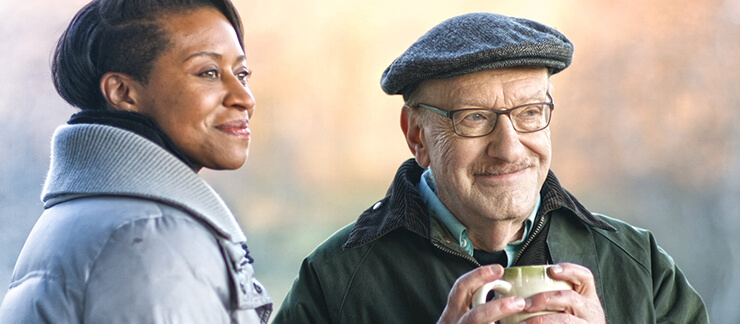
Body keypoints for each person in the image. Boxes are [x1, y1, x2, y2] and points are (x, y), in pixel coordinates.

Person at [272, 12, 709, 323]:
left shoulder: (638, 265)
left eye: (530, 112)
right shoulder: (336, 281)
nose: (508, 148)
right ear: (417, 135)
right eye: (474, 118)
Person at [0, 0, 272, 322]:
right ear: (122, 92)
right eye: (209, 73)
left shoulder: (86, 217)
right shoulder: (153, 240)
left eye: (241, 73)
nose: (244, 98)